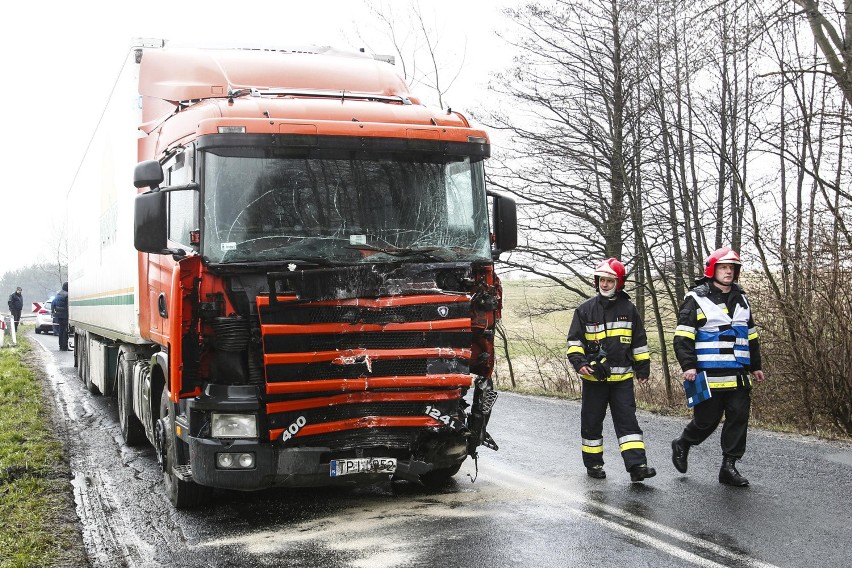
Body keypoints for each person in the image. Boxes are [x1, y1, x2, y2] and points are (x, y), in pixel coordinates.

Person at [672, 247, 765, 486]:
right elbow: (683, 337)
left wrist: (756, 365)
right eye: (724, 267)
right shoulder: (696, 299)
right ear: (712, 270)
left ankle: (729, 467)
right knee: (707, 421)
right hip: (707, 373)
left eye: (732, 268)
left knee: (738, 417)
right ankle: (683, 443)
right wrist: (688, 365)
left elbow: (751, 336)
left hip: (738, 374)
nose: (729, 272)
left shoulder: (742, 299)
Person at [567, 258, 656, 482]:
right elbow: (574, 342)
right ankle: (594, 465)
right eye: (602, 280)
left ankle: (637, 467)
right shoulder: (585, 310)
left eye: (609, 281)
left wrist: (642, 369)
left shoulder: (629, 309)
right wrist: (581, 364)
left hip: (622, 380)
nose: (605, 284)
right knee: (592, 422)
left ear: (619, 283)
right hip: (594, 380)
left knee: (628, 423)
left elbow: (639, 342)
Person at [52, 282, 69, 351]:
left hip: (58, 316)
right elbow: (68, 306)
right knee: (65, 331)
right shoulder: (67, 295)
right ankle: (64, 346)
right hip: (65, 315)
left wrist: (53, 312)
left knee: (61, 331)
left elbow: (53, 303)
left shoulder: (58, 294)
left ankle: (60, 345)